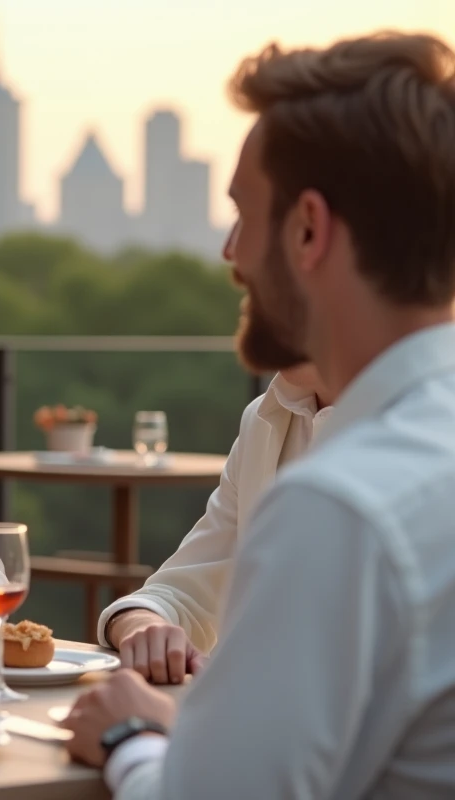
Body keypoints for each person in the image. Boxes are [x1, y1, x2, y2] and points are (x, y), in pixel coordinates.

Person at [63, 31, 455, 798]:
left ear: (308, 230)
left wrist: (128, 737)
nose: (229, 252)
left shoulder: (340, 506)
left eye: (244, 211)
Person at [98, 353, 333, 683]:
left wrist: (158, 724)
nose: (249, 306)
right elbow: (190, 591)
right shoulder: (264, 419)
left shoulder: (414, 436)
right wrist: (142, 624)